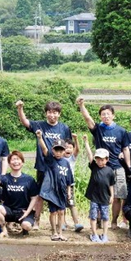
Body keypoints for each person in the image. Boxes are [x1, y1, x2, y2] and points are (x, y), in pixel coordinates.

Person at [16, 99, 72, 228]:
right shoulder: (39, 125)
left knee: (61, 193)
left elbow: (68, 146)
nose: (52, 115)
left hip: (59, 167)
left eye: (55, 112)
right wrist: (20, 108)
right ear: (46, 113)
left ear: (59, 114)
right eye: (49, 112)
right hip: (43, 166)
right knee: (40, 194)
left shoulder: (64, 128)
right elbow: (25, 122)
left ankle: (62, 221)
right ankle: (37, 220)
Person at [77, 99, 130, 229]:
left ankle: (114, 222)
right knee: (99, 194)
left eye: (108, 114)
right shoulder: (98, 129)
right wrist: (81, 105)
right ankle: (99, 220)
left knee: (118, 196)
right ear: (100, 116)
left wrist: (128, 168)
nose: (106, 116)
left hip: (118, 167)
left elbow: (125, 149)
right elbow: (88, 118)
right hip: (101, 167)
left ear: (113, 115)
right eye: (103, 114)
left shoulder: (121, 131)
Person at [35, 130, 74, 241]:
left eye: (61, 150)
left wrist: (69, 192)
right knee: (53, 212)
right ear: (53, 150)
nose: (58, 153)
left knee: (61, 212)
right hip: (52, 191)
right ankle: (54, 232)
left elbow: (69, 180)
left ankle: (61, 232)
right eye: (56, 150)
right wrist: (40, 138)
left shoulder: (66, 162)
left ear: (64, 151)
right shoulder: (50, 160)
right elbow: (44, 149)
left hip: (62, 191)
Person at [0, 151, 39, 237]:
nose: (16, 162)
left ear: (22, 162)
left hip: (23, 211)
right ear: (9, 163)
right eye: (13, 160)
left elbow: (34, 198)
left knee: (26, 225)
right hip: (9, 210)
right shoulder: (5, 178)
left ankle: (24, 230)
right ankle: (4, 231)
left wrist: (27, 212)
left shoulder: (29, 179)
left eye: (18, 159)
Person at [83, 145, 115, 243]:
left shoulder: (110, 171)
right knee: (93, 216)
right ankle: (94, 234)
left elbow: (111, 184)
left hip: (105, 197)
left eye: (102, 160)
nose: (99, 162)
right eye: (98, 159)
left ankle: (104, 234)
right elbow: (89, 154)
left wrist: (112, 196)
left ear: (107, 159)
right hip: (94, 197)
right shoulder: (94, 167)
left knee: (105, 217)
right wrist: (86, 142)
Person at [61, 136, 84, 233]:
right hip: (60, 184)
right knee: (61, 205)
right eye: (66, 147)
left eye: (70, 147)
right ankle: (62, 223)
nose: (68, 149)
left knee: (71, 204)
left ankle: (76, 223)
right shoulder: (59, 158)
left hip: (70, 185)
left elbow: (78, 149)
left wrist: (76, 139)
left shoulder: (72, 158)